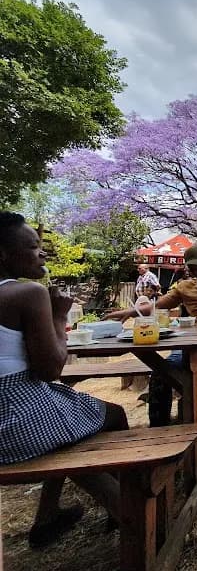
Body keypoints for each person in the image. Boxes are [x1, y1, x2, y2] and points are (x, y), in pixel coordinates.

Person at [0, 212, 129, 547]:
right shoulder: (27, 294)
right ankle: (129, 515)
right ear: (3, 254)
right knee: (113, 416)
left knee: (66, 419)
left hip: (14, 414)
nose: (42, 253)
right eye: (33, 247)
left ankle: (47, 518)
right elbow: (52, 369)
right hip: (14, 422)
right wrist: (59, 315)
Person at [106, 244, 197, 439]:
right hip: (193, 341)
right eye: (193, 268)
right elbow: (157, 305)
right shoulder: (184, 287)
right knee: (161, 372)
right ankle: (158, 427)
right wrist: (130, 312)